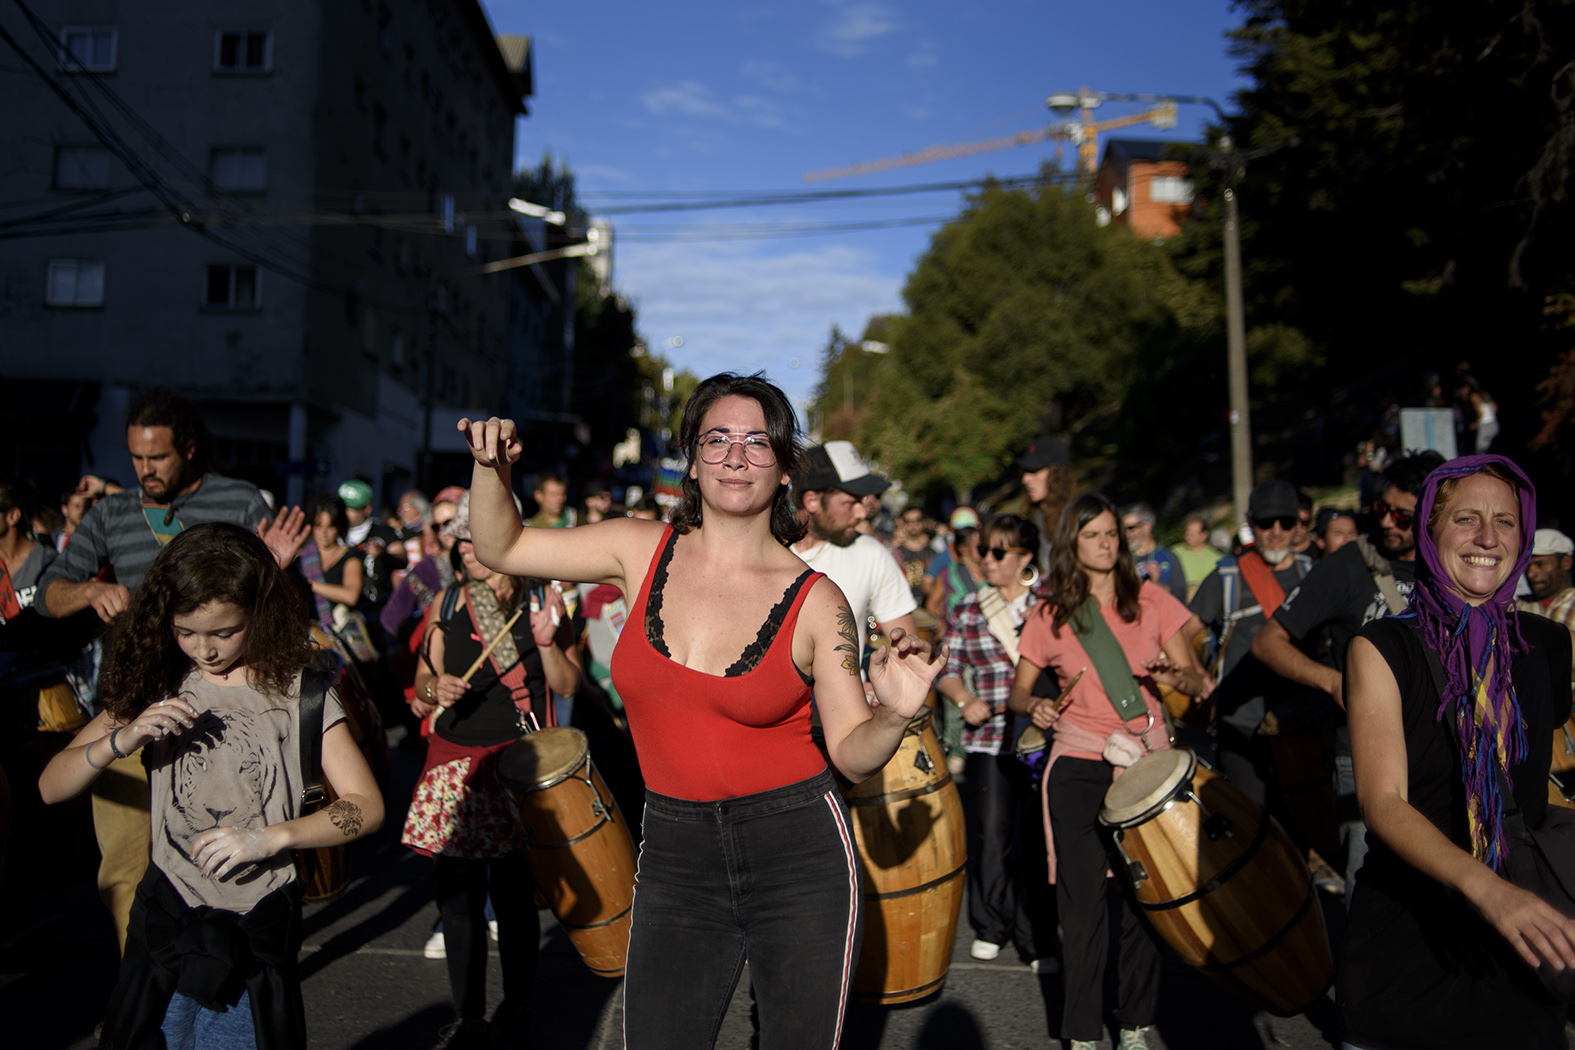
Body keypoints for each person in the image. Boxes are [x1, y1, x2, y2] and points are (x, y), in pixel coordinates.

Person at [456, 372, 945, 1050]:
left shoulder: (819, 601)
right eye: (717, 439)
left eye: (757, 442)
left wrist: (892, 715)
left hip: (798, 857)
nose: (736, 456)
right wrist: (491, 469)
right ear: (692, 461)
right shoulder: (635, 547)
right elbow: (500, 547)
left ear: (784, 469)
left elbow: (850, 755)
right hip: (675, 853)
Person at [38, 522, 383, 1049]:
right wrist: (123, 737)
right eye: (186, 631)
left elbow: (367, 806)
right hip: (165, 923)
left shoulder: (301, 690)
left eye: (225, 632)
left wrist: (270, 838)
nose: (206, 649)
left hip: (255, 928)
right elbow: (51, 786)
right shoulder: (158, 680)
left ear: (259, 613)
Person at [35, 386, 308, 952]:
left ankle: (223, 977)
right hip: (135, 700)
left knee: (217, 868)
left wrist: (278, 572)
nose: (145, 469)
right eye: (136, 457)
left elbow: (290, 610)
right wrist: (89, 591)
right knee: (124, 870)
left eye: (157, 456)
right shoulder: (111, 512)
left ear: (187, 448)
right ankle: (145, 988)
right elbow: (47, 594)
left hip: (226, 714)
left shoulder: (239, 500)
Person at [1340, 455, 1575, 1049]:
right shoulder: (1382, 646)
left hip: (1521, 945)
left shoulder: (1547, 643)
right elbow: (1383, 802)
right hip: (1412, 941)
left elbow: (1542, 780)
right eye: (1467, 518)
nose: (1489, 538)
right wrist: (1491, 893)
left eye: (1506, 521)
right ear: (1430, 529)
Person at [1007, 493, 1210, 1050]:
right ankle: (1080, 1033)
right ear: (1071, 543)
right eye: (1092, 534)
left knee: (1146, 901)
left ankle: (1135, 1023)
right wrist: (1036, 706)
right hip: (1078, 764)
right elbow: (1018, 694)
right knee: (1082, 906)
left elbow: (1199, 681)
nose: (1105, 543)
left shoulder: (1152, 600)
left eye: (1112, 533)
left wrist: (1176, 677)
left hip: (1146, 765)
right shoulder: (1050, 614)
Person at [402, 493, 580, 1049]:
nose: (464, 549)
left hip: (515, 764)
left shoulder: (543, 599)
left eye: (473, 538)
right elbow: (421, 683)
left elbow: (568, 684)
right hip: (453, 764)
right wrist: (435, 688)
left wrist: (547, 645)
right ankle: (470, 1016)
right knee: (457, 904)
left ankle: (519, 1005)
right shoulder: (448, 601)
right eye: (459, 540)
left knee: (514, 900)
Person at [1252, 450, 1446, 889]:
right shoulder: (1347, 565)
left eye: (1402, 516)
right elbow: (1267, 641)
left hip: (1438, 748)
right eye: (1381, 509)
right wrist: (1332, 680)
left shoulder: (1450, 564)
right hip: (1364, 753)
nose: (1387, 523)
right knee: (1369, 889)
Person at [934, 513, 1053, 970]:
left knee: (1037, 836)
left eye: (998, 552)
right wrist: (965, 701)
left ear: (1025, 557)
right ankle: (990, 925)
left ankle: (1037, 936)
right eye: (983, 550)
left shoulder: (1049, 604)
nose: (986, 559)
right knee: (991, 833)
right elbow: (947, 668)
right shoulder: (969, 607)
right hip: (989, 738)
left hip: (1042, 736)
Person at [1189, 479, 1316, 805]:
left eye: (1286, 522)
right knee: (1253, 822)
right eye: (1265, 523)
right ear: (1250, 523)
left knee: (1302, 822)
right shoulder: (1225, 578)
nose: (1276, 532)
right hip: (1240, 727)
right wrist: (1197, 674)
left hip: (1301, 723)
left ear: (1299, 524)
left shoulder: (1313, 574)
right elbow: (1181, 632)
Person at [790, 441, 919, 658]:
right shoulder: (763, 550)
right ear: (812, 501)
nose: (862, 513)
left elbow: (909, 653)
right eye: (851, 503)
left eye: (863, 501)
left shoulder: (871, 554)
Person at [296, 494, 365, 631]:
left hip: (336, 631)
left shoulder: (350, 557)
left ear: (340, 526)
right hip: (303, 629)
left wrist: (310, 585)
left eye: (330, 526)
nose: (324, 532)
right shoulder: (302, 555)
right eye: (318, 526)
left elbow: (351, 596)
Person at [1016, 435, 1074, 570]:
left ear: (1057, 474)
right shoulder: (1029, 517)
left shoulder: (1075, 517)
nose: (1025, 480)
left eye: (1034, 471)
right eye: (1024, 471)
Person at [1121, 502, 1187, 601]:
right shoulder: (1122, 558)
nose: (1127, 533)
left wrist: (1156, 584)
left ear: (1146, 527)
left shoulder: (1168, 556)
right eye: (1123, 529)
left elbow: (1180, 596)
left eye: (1131, 528)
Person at [1519, 528, 1575, 642]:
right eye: (1527, 566)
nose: (1531, 574)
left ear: (1565, 563)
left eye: (1540, 564)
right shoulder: (1516, 606)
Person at [1173, 513, 1222, 601]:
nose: (1188, 535)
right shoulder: (1175, 552)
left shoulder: (1216, 559)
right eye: (1187, 531)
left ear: (1204, 536)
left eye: (1193, 533)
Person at [892, 506, 935, 605]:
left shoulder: (932, 553)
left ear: (924, 523)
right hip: (901, 605)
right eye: (908, 521)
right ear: (902, 523)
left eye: (917, 521)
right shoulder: (895, 553)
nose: (913, 525)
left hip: (925, 606)